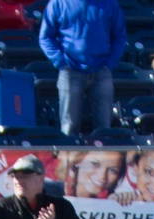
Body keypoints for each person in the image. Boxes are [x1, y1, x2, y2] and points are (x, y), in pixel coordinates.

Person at [37, 0, 122, 134]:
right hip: (70, 73)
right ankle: (69, 155)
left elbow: (119, 36)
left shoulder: (110, 3)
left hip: (102, 73)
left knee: (105, 128)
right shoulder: (58, 3)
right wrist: (61, 62)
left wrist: (109, 64)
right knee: (69, 128)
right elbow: (45, 37)